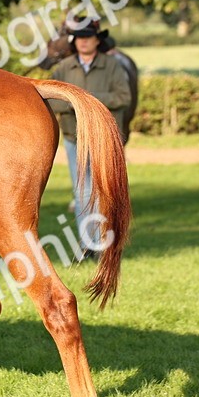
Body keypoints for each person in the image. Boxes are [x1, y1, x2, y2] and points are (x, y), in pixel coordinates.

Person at [47, 18, 132, 261]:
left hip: (104, 138)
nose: (84, 42)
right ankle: (88, 244)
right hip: (74, 137)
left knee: (105, 190)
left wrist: (87, 100)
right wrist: (74, 103)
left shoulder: (112, 66)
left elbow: (123, 97)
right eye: (80, 38)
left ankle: (106, 243)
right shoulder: (64, 68)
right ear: (75, 42)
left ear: (97, 40)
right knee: (82, 192)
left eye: (89, 37)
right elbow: (50, 100)